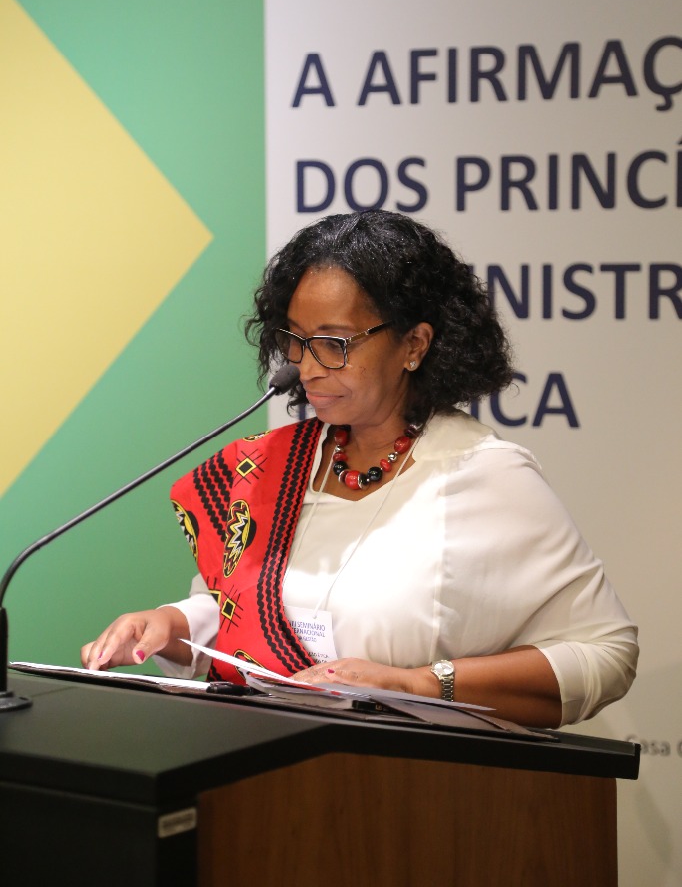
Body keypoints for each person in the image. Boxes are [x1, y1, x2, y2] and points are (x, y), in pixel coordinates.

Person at [81, 211, 638, 728]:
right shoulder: (274, 466)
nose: (307, 367)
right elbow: (239, 613)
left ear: (414, 343)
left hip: (411, 781)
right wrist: (171, 626)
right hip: (264, 768)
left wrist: (420, 684)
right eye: (295, 340)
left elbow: (606, 653)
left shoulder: (482, 474)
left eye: (334, 343)